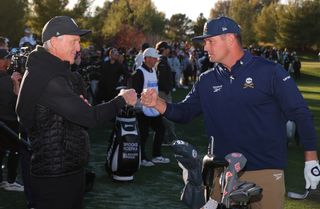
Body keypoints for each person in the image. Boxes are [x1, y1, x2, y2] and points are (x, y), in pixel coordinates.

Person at [141, 16, 320, 209]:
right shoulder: (206, 80)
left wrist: (311, 159)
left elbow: (300, 112)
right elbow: (185, 112)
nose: (205, 47)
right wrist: (158, 104)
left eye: (210, 41)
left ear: (230, 39)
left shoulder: (270, 72)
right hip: (221, 174)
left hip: (265, 171)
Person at [16, 16, 137, 209]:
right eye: (74, 41)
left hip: (63, 171)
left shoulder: (51, 71)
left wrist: (76, 107)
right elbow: (90, 117)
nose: (79, 48)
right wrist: (122, 100)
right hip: (56, 177)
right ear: (55, 42)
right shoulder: (48, 77)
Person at [131, 47, 170, 166]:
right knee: (143, 133)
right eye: (153, 58)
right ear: (146, 58)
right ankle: (142, 158)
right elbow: (135, 92)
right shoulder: (138, 72)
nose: (155, 61)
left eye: (155, 59)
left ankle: (156, 155)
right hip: (142, 108)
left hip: (153, 107)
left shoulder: (153, 71)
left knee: (160, 129)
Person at [0, 49, 24, 192]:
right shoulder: (7, 80)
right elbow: (19, 101)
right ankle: (10, 180)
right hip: (9, 122)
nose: (9, 61)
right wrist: (16, 83)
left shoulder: (7, 77)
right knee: (15, 151)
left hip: (6, 120)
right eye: (6, 58)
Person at [155, 41, 176, 145]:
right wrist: (166, 89)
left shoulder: (161, 59)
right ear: (163, 49)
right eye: (167, 48)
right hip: (163, 93)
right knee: (168, 116)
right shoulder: (161, 61)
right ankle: (170, 139)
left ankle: (165, 137)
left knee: (162, 116)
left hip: (162, 91)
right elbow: (161, 78)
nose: (169, 50)